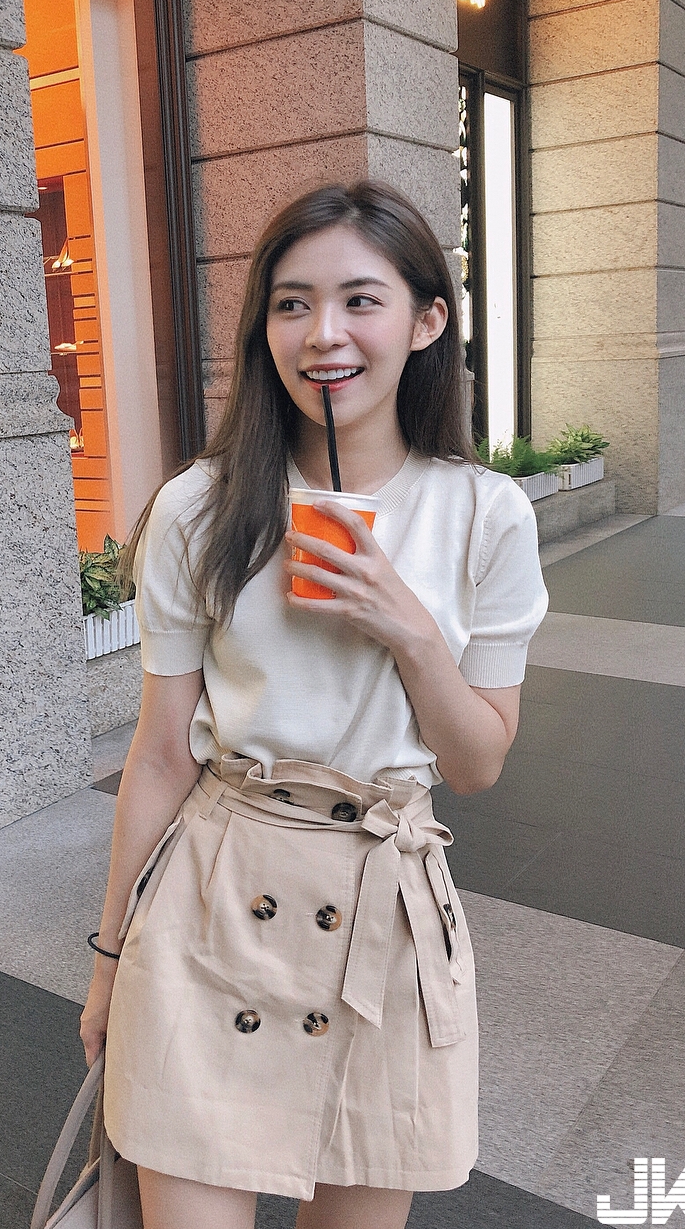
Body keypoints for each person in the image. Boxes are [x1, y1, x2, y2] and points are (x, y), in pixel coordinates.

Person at [80, 180, 548, 1229]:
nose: (322, 334)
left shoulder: (487, 515)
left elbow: (477, 764)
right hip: (212, 905)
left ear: (427, 321)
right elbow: (160, 754)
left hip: (385, 911)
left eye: (359, 301)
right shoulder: (200, 508)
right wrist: (109, 963)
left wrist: (409, 628)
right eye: (292, 304)